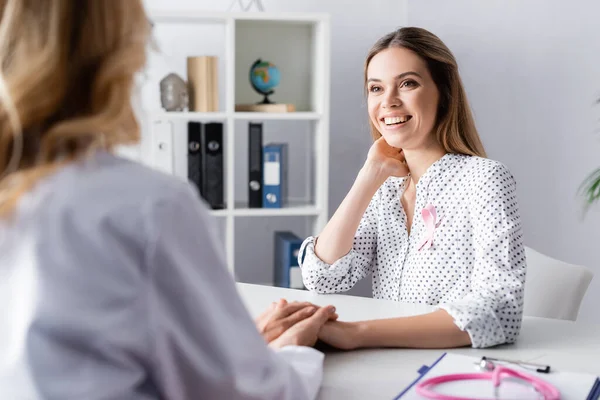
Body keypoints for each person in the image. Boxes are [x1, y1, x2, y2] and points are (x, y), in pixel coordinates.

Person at [0, 1, 337, 399]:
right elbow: (253, 395)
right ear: (121, 51)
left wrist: (233, 348)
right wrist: (291, 352)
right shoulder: (146, 207)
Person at [299, 27, 527, 350]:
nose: (388, 101)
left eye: (407, 84)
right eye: (376, 88)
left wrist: (360, 334)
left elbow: (501, 310)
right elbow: (321, 277)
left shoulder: (485, 179)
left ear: (444, 93)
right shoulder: (383, 189)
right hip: (385, 365)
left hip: (451, 370)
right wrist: (368, 177)